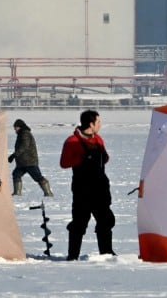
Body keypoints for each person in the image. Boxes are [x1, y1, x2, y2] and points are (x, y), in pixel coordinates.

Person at [59, 109, 115, 260]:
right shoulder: (72, 141)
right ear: (91, 124)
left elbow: (105, 158)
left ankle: (107, 253)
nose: (100, 125)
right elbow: (64, 163)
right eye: (98, 122)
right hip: (82, 190)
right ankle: (73, 256)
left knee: (105, 221)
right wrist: (82, 159)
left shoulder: (98, 140)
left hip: (101, 188)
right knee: (79, 223)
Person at [8, 118, 53, 197]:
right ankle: (17, 193)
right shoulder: (21, 134)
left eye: (16, 127)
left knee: (37, 177)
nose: (14, 129)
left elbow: (24, 146)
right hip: (22, 162)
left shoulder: (25, 134)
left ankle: (48, 193)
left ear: (20, 126)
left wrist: (14, 155)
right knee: (16, 174)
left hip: (29, 161)